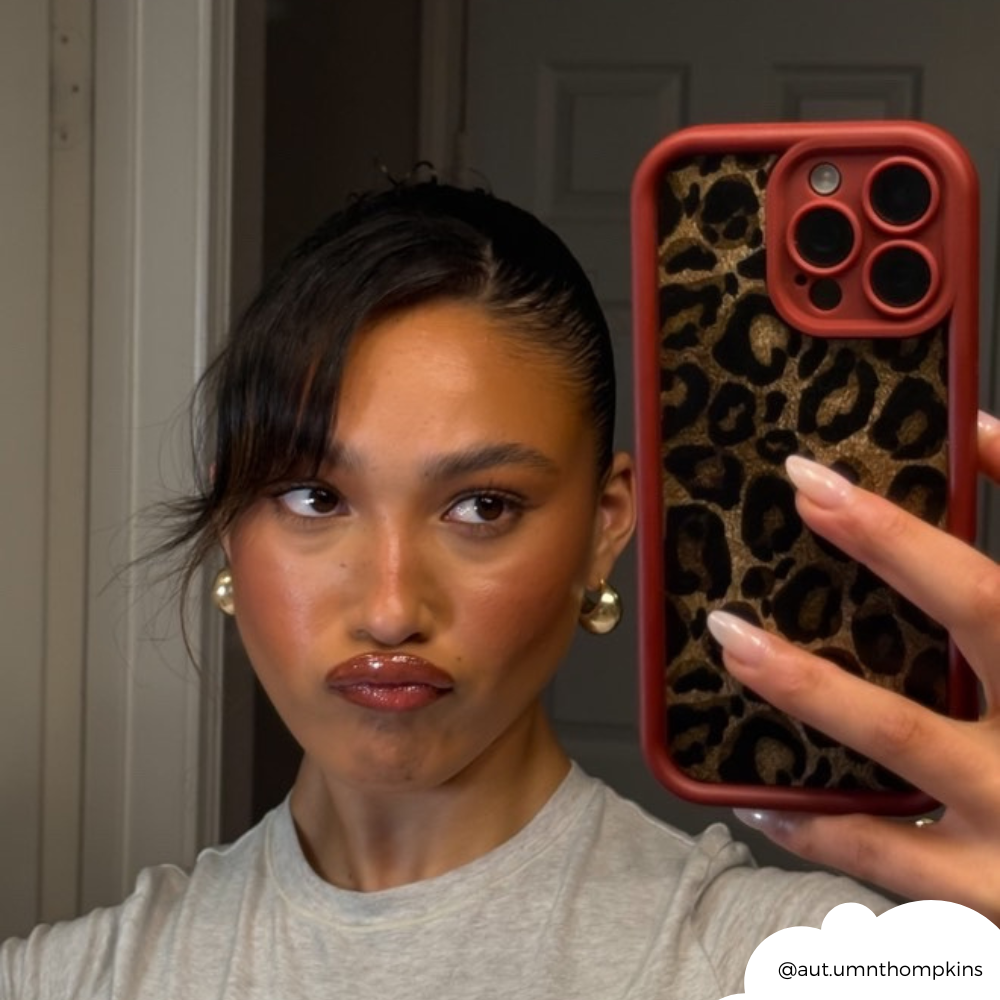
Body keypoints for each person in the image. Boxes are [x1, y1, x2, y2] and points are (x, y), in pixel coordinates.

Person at [1, 181, 997, 998]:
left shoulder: (799, 965)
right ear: (230, 520)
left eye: (481, 506)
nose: (391, 608)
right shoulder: (69, 979)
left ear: (605, 523)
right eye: (314, 497)